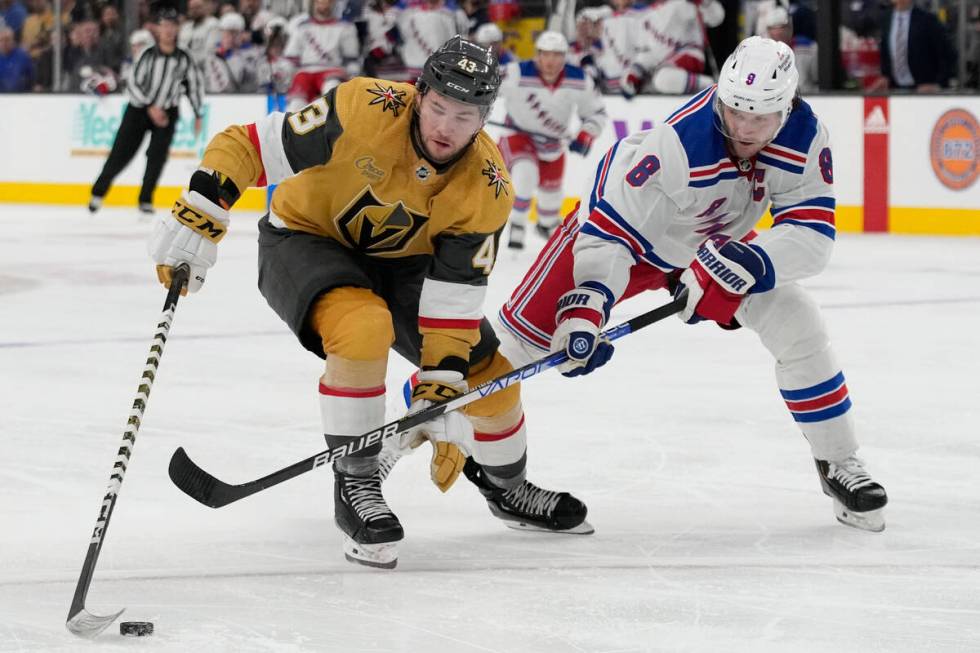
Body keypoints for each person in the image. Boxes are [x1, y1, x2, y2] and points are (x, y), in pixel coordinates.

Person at [147, 36, 591, 570]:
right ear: (418, 94)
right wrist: (202, 205)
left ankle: (508, 488)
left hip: (404, 267)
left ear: (485, 118)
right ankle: (355, 483)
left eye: (465, 115)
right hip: (305, 240)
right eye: (438, 108)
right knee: (363, 326)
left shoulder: (488, 184)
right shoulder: (363, 106)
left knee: (490, 377)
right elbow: (248, 144)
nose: (445, 127)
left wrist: (443, 378)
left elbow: (456, 293)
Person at [497, 36, 889, 533]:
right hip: (620, 237)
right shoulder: (680, 141)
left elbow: (812, 235)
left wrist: (748, 259)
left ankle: (839, 461)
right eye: (733, 111)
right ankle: (393, 464)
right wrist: (586, 307)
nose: (744, 128)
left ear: (786, 110)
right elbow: (610, 233)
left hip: (710, 247)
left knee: (798, 324)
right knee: (506, 354)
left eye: (761, 117)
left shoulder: (806, 136)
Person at [495, 30, 607, 250]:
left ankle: (545, 224)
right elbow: (485, 84)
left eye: (557, 55)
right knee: (525, 175)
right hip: (518, 135)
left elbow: (597, 113)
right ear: (537, 55)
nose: (550, 61)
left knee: (551, 197)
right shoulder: (516, 73)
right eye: (546, 54)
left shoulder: (580, 79)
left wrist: (586, 134)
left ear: (565, 57)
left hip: (553, 143)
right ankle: (517, 224)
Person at [89, 7, 204, 215]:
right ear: (159, 29)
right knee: (121, 153)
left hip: (168, 112)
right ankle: (98, 193)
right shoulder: (147, 54)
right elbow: (133, 84)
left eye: (173, 26)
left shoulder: (184, 57)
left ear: (177, 29)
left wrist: (198, 113)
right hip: (139, 110)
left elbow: (193, 85)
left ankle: (145, 199)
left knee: (157, 157)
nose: (169, 31)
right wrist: (151, 106)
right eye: (165, 26)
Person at [871, 0, 955, 92]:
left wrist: (938, 84)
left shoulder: (928, 19)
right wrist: (886, 76)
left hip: (924, 90)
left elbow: (948, 54)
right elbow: (885, 52)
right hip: (895, 89)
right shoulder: (885, 19)